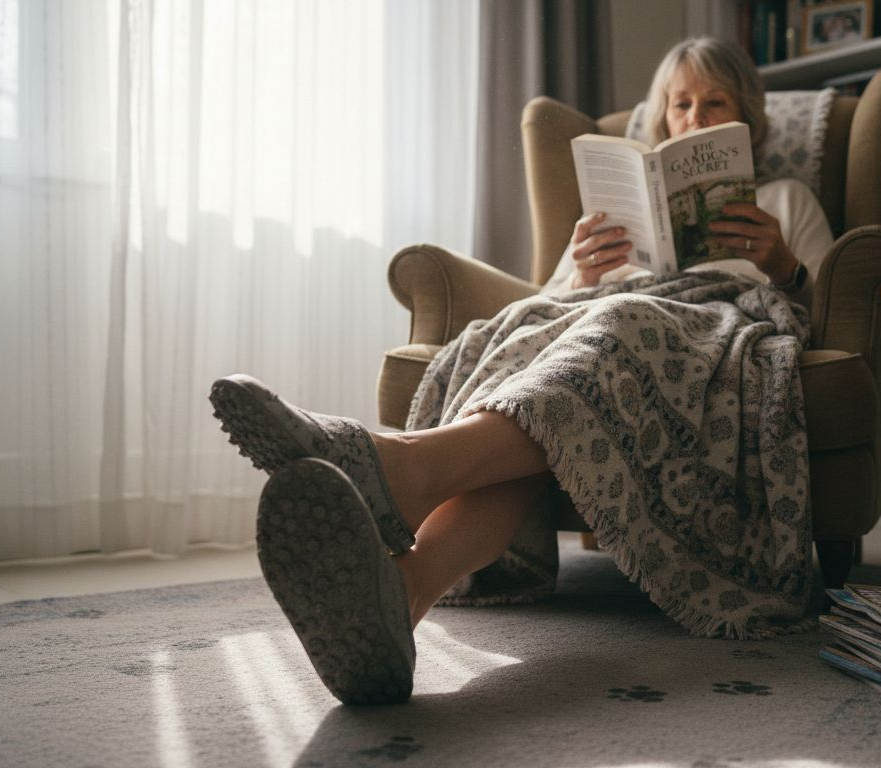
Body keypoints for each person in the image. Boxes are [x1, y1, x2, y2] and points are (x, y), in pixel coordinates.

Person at [210, 37, 834, 706]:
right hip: (594, 334)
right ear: (663, 118)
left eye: (715, 103)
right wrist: (580, 269)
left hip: (701, 331)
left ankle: (402, 466)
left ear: (747, 118)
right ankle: (405, 592)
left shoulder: (785, 199)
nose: (695, 118)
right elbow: (549, 304)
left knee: (613, 330)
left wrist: (782, 265)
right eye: (681, 104)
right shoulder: (618, 215)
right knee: (548, 388)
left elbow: (828, 312)